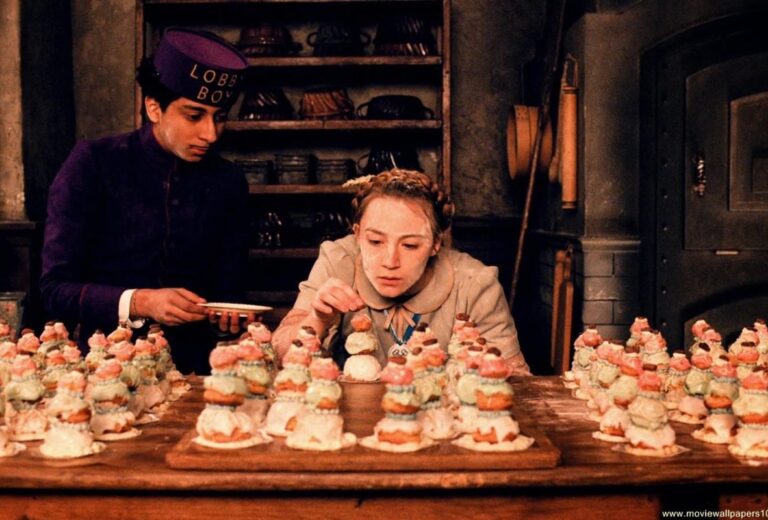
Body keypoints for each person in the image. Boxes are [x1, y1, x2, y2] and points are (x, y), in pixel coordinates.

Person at [40, 28, 253, 375]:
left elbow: (230, 289)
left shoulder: (228, 181)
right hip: (106, 369)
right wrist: (141, 301)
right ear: (154, 108)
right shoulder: (93, 163)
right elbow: (54, 290)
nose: (210, 134)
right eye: (194, 115)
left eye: (220, 117)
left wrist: (226, 317)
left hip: (198, 372)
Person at [273, 169, 530, 375]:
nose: (390, 261)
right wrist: (317, 319)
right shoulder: (337, 262)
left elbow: (519, 385)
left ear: (436, 243)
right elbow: (279, 356)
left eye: (410, 245)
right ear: (358, 234)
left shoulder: (475, 284)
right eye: (375, 241)